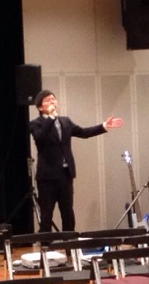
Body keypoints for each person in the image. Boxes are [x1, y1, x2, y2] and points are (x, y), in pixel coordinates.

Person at [29, 89, 122, 232]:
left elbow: (84, 132)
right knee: (46, 215)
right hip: (47, 177)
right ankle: (46, 244)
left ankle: (69, 243)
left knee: (67, 213)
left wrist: (103, 126)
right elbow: (40, 138)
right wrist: (51, 118)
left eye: (54, 99)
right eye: (48, 100)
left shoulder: (65, 121)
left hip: (65, 175)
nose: (53, 102)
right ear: (40, 107)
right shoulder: (36, 124)